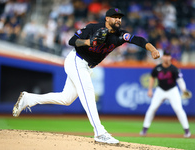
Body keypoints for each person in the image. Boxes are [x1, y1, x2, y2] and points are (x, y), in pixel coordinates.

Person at [13, 8, 160, 144]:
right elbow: (72, 41)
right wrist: (89, 41)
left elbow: (138, 40)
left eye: (120, 18)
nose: (118, 20)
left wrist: (152, 49)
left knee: (66, 99)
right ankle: (99, 132)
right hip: (76, 60)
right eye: (115, 17)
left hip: (86, 66)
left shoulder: (120, 35)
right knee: (88, 92)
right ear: (107, 18)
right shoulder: (93, 27)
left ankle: (28, 98)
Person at [140, 50, 191, 138]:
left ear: (170, 57)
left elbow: (180, 80)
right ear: (163, 57)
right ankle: (144, 129)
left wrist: (184, 90)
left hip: (172, 90)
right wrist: (150, 90)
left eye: (168, 56)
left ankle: (187, 130)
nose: (166, 57)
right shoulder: (157, 68)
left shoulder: (174, 69)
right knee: (152, 108)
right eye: (165, 56)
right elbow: (152, 78)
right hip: (160, 90)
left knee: (178, 109)